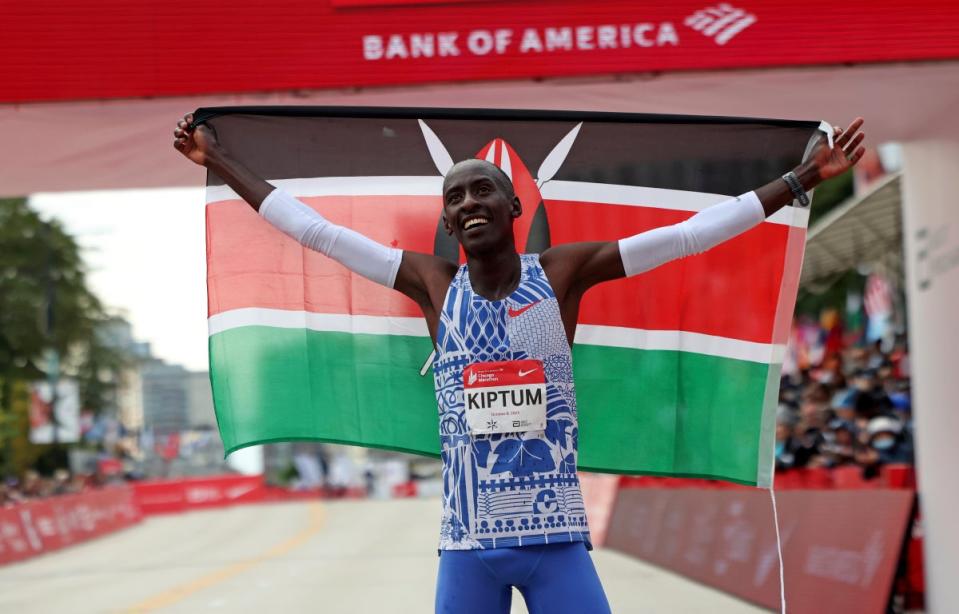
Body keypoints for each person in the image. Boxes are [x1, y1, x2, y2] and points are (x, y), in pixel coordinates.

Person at [174, 112, 865, 614]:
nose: (467, 202)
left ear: (513, 206)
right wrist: (220, 164)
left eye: (481, 191)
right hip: (466, 546)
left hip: (555, 542)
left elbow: (685, 238)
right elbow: (314, 231)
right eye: (454, 198)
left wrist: (801, 178)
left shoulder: (561, 273)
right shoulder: (431, 284)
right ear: (447, 224)